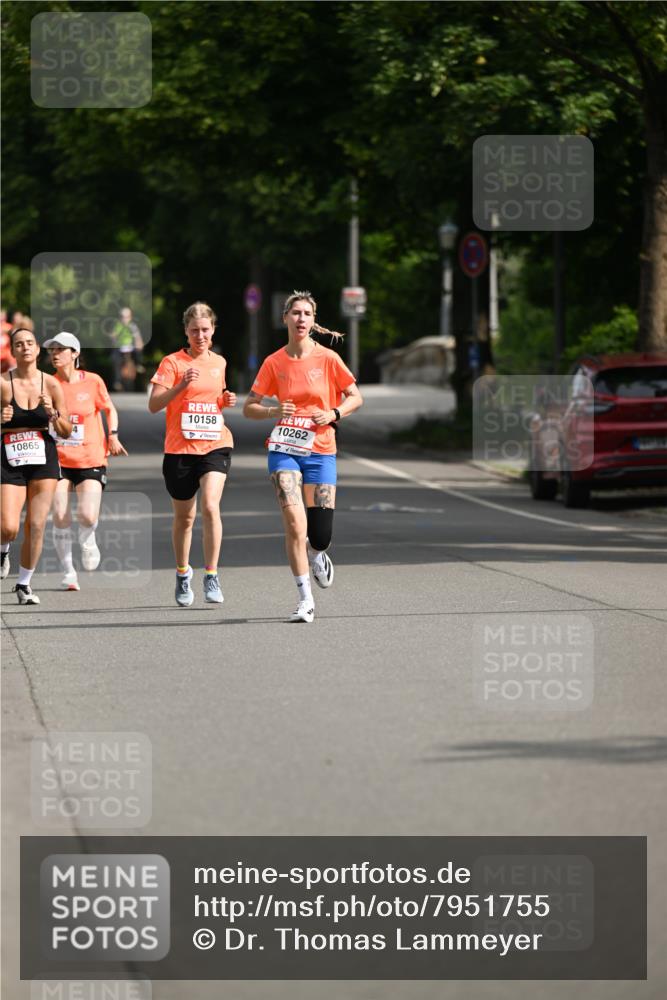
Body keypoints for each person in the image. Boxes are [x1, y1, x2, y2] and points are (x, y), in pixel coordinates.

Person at [243, 290, 363, 623]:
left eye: (306, 314)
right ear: (285, 319)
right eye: (295, 313)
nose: (300, 319)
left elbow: (355, 396)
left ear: (313, 320)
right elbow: (248, 407)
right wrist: (273, 410)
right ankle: (305, 599)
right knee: (295, 524)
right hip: (283, 450)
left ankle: (317, 554)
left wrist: (334, 413)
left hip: (321, 450)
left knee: (320, 535)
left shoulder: (327, 358)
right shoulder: (274, 362)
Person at [148, 301, 236, 607]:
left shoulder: (220, 362)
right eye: (195, 330)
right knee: (184, 518)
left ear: (213, 330)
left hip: (215, 443)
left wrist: (225, 400)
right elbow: (155, 404)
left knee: (211, 507)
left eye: (205, 329)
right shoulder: (172, 363)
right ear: (186, 332)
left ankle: (211, 573)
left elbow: (214, 400)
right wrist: (180, 386)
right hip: (179, 449)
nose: (201, 335)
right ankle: (183, 573)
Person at [45, 332, 128, 591]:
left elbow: (109, 409)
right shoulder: (46, 383)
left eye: (61, 349)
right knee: (59, 514)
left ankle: (88, 537)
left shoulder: (92, 381)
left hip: (90, 456)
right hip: (57, 458)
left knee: (87, 515)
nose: (55, 354)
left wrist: (113, 435)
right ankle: (69, 571)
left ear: (75, 353)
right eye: (52, 350)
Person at [1, 328, 71, 604]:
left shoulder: (52, 385)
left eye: (30, 343)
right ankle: (4, 549)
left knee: (37, 524)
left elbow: (66, 430)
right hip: (9, 457)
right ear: (13, 351)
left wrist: (53, 415)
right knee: (8, 526)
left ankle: (24, 584)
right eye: (19, 344)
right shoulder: (3, 383)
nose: (25, 348)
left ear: (38, 349)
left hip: (43, 455)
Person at [110, 307, 144, 391]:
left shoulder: (132, 326)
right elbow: (113, 336)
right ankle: (117, 381)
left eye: (126, 317)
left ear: (130, 317)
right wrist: (113, 338)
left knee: (138, 353)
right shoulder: (118, 326)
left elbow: (138, 338)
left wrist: (139, 344)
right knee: (115, 360)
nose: (124, 319)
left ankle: (138, 364)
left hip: (130, 347)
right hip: (120, 348)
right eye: (122, 317)